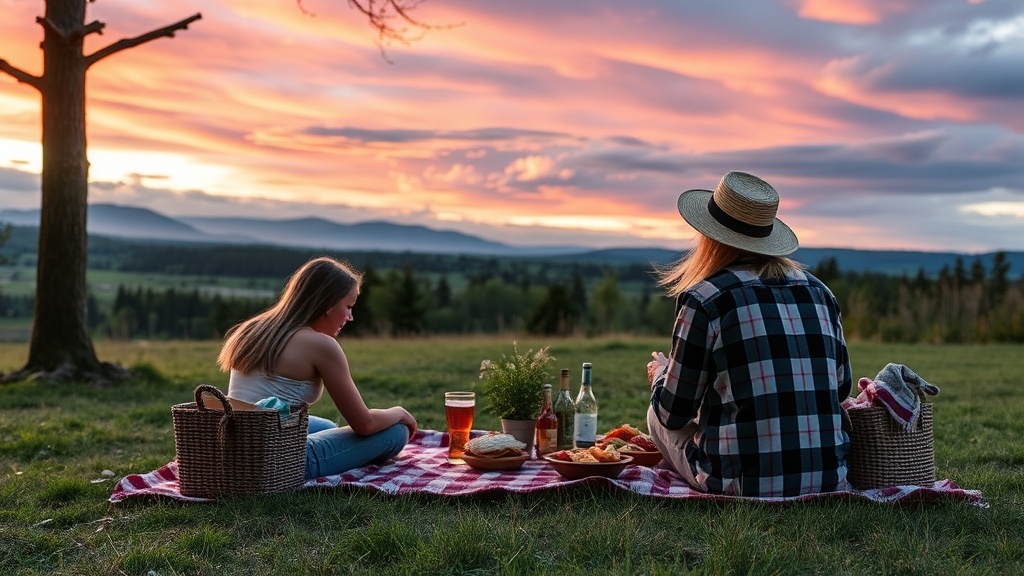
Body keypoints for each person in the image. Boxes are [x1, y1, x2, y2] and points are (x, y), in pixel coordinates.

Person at [646, 171, 851, 497]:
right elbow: (841, 389)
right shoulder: (821, 293)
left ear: (709, 237)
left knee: (654, 415)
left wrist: (660, 375)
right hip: (829, 479)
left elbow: (673, 414)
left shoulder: (705, 298)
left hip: (741, 484)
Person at [218, 256, 417, 479]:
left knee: (327, 426)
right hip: (279, 461)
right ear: (328, 305)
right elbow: (364, 424)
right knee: (395, 433)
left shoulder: (252, 328)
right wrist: (399, 412)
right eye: (348, 307)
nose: (350, 317)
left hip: (232, 447)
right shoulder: (321, 345)